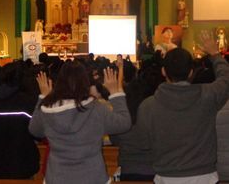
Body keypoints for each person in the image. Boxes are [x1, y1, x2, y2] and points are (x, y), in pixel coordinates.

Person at [133, 30, 229, 184]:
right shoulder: (208, 95)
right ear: (191, 72)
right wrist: (215, 54)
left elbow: (143, 144)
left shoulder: (148, 105)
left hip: (166, 176)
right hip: (204, 176)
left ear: (164, 71)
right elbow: (225, 79)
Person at [29, 60, 131, 184]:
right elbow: (124, 123)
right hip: (92, 177)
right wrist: (116, 93)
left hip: (57, 177)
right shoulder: (96, 108)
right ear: (86, 82)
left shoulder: (47, 110)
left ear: (59, 82)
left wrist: (43, 97)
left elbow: (34, 130)